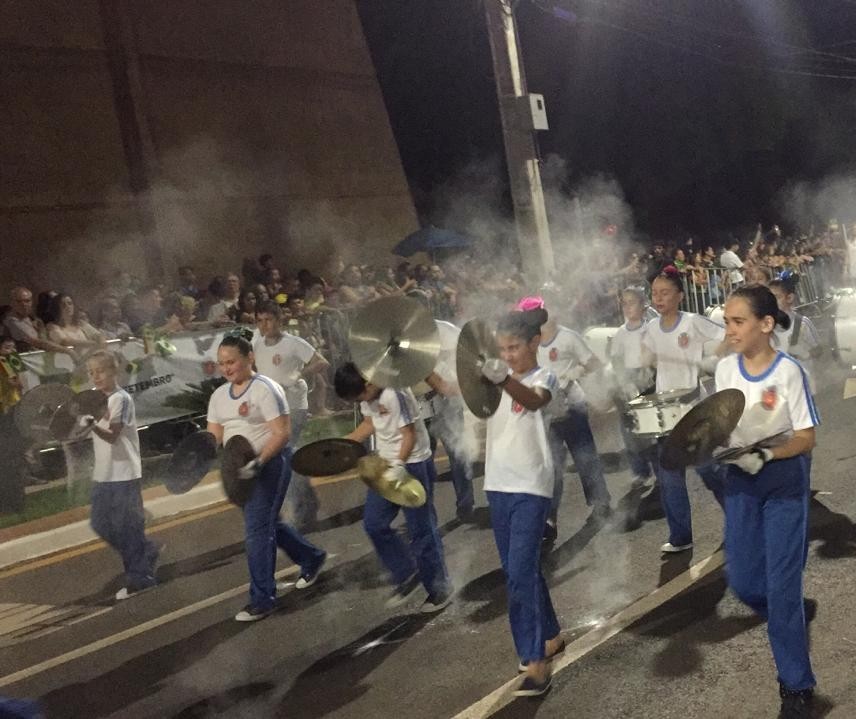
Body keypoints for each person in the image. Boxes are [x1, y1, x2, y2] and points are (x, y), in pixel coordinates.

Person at [715, 285, 819, 719]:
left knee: (780, 587)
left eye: (738, 321)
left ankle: (796, 686)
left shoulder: (789, 372)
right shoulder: (724, 370)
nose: (730, 329)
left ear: (766, 324)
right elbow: (720, 425)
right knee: (741, 579)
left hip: (781, 482)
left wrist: (769, 454)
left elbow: (806, 437)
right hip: (740, 479)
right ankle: (786, 610)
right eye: (727, 322)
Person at [207, 330, 327, 622]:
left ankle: (262, 599)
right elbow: (214, 436)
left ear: (250, 358)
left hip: (270, 465)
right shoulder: (219, 396)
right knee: (266, 523)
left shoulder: (266, 389)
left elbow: (281, 432)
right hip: (240, 470)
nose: (226, 368)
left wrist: (259, 462)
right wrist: (206, 458)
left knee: (256, 532)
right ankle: (311, 557)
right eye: (222, 363)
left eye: (231, 361)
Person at [479, 309, 565, 697]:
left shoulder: (543, 377)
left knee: (518, 574)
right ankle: (550, 636)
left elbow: (533, 402)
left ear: (534, 343)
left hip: (532, 485)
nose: (508, 355)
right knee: (523, 569)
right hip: (497, 485)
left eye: (514, 347)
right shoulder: (495, 381)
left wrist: (502, 378)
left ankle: (534, 662)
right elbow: (454, 389)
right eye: (502, 349)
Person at [334, 362, 452, 613]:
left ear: (368, 383)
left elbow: (408, 434)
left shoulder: (393, 392)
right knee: (374, 524)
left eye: (360, 397)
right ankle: (407, 572)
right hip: (384, 464)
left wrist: (399, 464)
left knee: (421, 530)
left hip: (412, 464)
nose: (360, 402)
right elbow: (369, 423)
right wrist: (343, 444)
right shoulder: (368, 393)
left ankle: (440, 589)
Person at [640, 266, 727, 553]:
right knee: (669, 475)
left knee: (708, 469)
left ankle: (740, 516)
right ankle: (681, 536)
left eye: (665, 293)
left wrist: (709, 360)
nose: (659, 298)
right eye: (655, 293)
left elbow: (725, 338)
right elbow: (647, 361)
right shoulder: (651, 328)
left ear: (680, 295)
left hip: (693, 408)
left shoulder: (693, 323)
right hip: (666, 411)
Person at [522, 295, 612, 540]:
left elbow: (594, 362)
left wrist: (576, 371)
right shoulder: (528, 343)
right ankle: (549, 518)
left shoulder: (568, 337)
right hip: (545, 411)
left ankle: (601, 503)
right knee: (551, 467)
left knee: (585, 457)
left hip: (572, 407)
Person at [77, 350, 159, 599]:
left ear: (113, 371)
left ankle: (140, 577)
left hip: (124, 472)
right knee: (100, 523)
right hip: (103, 474)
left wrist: (91, 425)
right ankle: (145, 552)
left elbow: (113, 435)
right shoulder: (94, 401)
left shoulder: (119, 399)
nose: (96, 376)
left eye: (100, 371)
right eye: (91, 372)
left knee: (128, 527)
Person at [253, 301, 331, 528]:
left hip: (294, 406)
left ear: (279, 320)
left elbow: (321, 362)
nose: (264, 325)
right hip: (272, 410)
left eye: (268, 319)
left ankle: (294, 513)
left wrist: (299, 374)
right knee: (286, 455)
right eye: (259, 320)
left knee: (281, 454)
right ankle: (307, 502)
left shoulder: (293, 343)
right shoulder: (257, 344)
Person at [610, 287, 657, 486]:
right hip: (629, 378)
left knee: (652, 429)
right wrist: (624, 381)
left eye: (632, 303)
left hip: (649, 378)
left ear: (643, 305)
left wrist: (651, 372)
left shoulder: (651, 328)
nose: (628, 308)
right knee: (629, 429)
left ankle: (659, 469)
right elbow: (616, 359)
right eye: (624, 303)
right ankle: (640, 471)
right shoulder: (621, 333)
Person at [769, 277, 822, 392]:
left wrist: (805, 353)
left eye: (777, 297)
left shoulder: (801, 323)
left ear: (789, 298)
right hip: (776, 387)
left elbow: (818, 350)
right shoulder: (764, 326)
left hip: (802, 386)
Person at [3, 287, 77, 358]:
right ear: (12, 302)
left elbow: (43, 339)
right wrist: (67, 351)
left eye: (27, 301)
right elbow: (38, 343)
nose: (24, 304)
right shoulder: (12, 321)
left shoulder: (31, 318)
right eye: (19, 301)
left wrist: (41, 329)